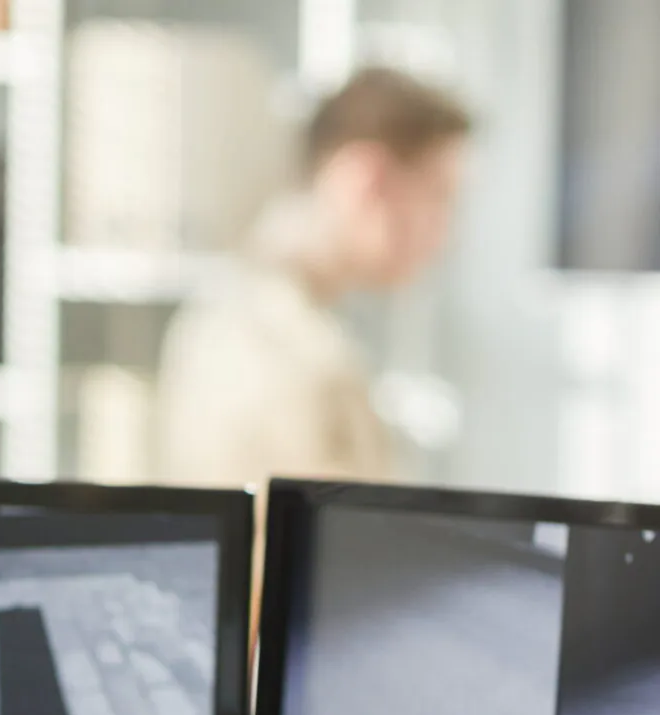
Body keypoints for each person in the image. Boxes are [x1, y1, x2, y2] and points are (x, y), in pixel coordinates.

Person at [155, 67, 472, 495]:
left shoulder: (280, 318)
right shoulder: (273, 347)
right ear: (367, 182)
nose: (445, 234)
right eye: (439, 196)